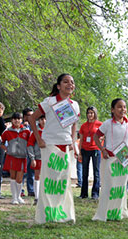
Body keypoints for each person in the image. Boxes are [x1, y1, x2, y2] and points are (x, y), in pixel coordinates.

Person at [28, 73, 80, 223]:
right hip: (50, 145)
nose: (69, 84)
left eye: (72, 82)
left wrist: (72, 140)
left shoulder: (74, 105)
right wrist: (39, 139)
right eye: (65, 82)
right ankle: (47, 214)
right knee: (49, 181)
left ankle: (62, 213)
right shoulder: (49, 102)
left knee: (63, 182)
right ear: (58, 86)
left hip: (66, 147)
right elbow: (32, 118)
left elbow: (74, 123)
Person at [93, 98, 128, 221]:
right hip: (110, 158)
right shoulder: (107, 123)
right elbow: (96, 136)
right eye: (119, 107)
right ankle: (105, 213)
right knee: (109, 187)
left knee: (120, 188)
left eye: (124, 107)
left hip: (124, 158)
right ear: (112, 109)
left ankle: (118, 212)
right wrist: (102, 149)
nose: (123, 109)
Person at [1, 112, 30, 204]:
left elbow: (31, 143)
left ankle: (18, 196)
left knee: (20, 178)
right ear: (12, 120)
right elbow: (1, 142)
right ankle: (14, 198)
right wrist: (7, 149)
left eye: (19, 119)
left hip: (22, 157)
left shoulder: (27, 131)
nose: (17, 120)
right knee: (13, 177)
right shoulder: (7, 131)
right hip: (11, 157)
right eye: (15, 119)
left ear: (22, 120)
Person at [78, 106, 102, 199]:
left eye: (92, 113)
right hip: (85, 150)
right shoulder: (83, 125)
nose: (90, 115)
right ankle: (83, 193)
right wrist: (79, 152)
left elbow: (105, 135)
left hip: (95, 149)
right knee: (84, 172)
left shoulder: (100, 124)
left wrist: (101, 140)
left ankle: (95, 193)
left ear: (95, 114)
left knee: (96, 172)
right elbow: (81, 139)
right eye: (88, 113)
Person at [27, 116, 46, 204]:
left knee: (46, 177)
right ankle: (37, 197)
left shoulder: (50, 131)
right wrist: (32, 158)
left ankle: (45, 197)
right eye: (42, 119)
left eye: (45, 119)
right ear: (39, 120)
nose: (44, 121)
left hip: (47, 157)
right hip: (38, 157)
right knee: (37, 176)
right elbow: (30, 145)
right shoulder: (35, 131)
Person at [22, 107, 35, 197]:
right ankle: (20, 191)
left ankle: (31, 190)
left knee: (31, 172)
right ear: (24, 116)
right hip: (22, 152)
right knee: (22, 172)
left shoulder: (34, 126)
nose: (31, 117)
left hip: (32, 152)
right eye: (29, 115)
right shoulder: (21, 126)